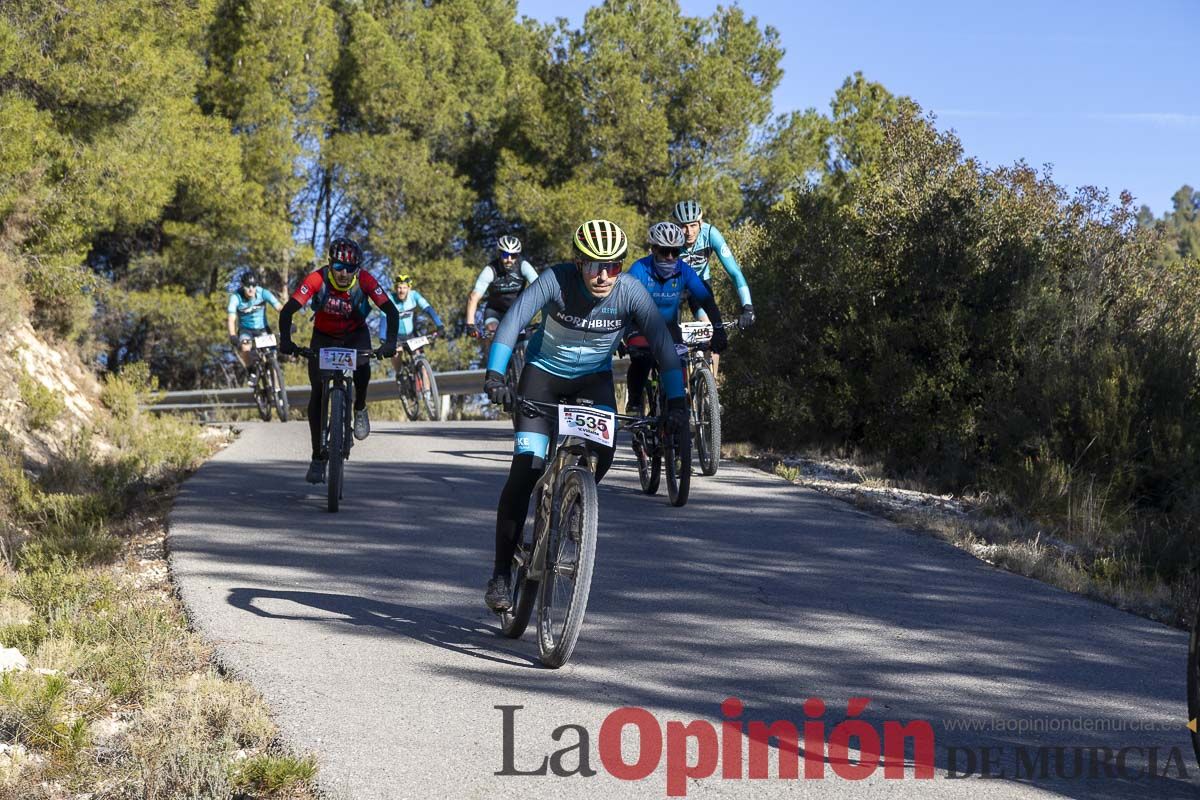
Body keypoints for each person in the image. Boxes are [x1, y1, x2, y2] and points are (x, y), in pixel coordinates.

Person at [481, 219, 689, 612]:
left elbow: (662, 346)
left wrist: (676, 404)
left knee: (604, 450)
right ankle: (500, 574)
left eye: (613, 265)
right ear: (579, 262)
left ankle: (576, 501)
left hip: (593, 380)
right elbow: (512, 322)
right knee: (525, 468)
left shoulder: (630, 291)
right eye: (595, 264)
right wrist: (495, 375)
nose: (604, 274)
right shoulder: (556, 281)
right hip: (542, 378)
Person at [278, 237, 399, 484]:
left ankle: (360, 407)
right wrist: (286, 341)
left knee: (363, 369)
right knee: (318, 395)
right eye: (339, 268)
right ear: (330, 265)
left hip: (355, 335)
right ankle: (317, 458)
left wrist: (389, 344)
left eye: (350, 269)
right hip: (324, 337)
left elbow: (391, 311)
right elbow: (289, 309)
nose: (344, 274)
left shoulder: (365, 280)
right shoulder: (317, 279)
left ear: (357, 269)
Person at [623, 222, 728, 415]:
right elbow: (621, 304)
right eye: (665, 251)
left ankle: (677, 412)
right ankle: (635, 401)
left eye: (675, 251)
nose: (670, 257)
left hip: (669, 328)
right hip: (638, 325)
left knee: (679, 362)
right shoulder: (639, 269)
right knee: (643, 358)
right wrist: (618, 337)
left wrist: (719, 328)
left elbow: (706, 300)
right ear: (654, 249)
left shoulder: (684, 270)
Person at [671, 199, 755, 376]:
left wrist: (747, 307)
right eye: (683, 227)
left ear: (700, 222)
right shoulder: (671, 239)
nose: (688, 232)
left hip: (701, 284)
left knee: (711, 328)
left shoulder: (711, 234)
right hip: (675, 287)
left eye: (693, 225)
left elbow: (735, 273)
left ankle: (711, 391)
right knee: (672, 335)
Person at [464, 235, 539, 350]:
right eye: (505, 255)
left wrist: (550, 316)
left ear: (517, 256)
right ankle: (493, 364)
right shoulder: (490, 270)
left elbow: (541, 288)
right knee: (493, 332)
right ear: (499, 253)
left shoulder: (523, 266)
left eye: (513, 256)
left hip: (518, 311)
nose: (509, 259)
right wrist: (470, 324)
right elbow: (473, 297)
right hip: (495, 312)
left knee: (527, 344)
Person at [379, 272, 446, 374]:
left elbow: (428, 309)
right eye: (399, 288)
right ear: (395, 288)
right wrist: (383, 338)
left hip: (411, 334)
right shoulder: (389, 299)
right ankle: (399, 374)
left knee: (422, 363)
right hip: (396, 336)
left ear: (409, 288)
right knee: (397, 353)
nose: (401, 291)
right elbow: (383, 319)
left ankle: (427, 390)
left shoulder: (414, 295)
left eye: (404, 288)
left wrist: (439, 325)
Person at [227, 270, 283, 383]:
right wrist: (232, 335)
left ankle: (277, 388)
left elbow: (280, 309)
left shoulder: (263, 293)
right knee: (245, 347)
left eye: (254, 285)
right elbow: (231, 318)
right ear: (242, 286)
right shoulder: (236, 297)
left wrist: (289, 323)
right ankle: (251, 370)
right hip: (246, 330)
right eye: (248, 286)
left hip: (262, 328)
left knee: (272, 354)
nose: (251, 289)